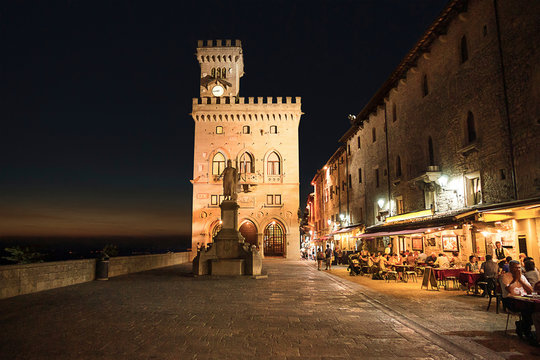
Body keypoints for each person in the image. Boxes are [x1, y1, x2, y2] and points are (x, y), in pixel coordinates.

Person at [500, 260, 533, 341]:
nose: (518, 270)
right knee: (527, 310)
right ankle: (526, 331)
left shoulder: (522, 277)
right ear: (510, 268)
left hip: (523, 299)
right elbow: (509, 290)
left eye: (519, 268)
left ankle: (522, 326)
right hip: (510, 300)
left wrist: (520, 280)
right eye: (515, 268)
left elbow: (530, 290)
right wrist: (515, 279)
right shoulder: (505, 276)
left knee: (534, 311)